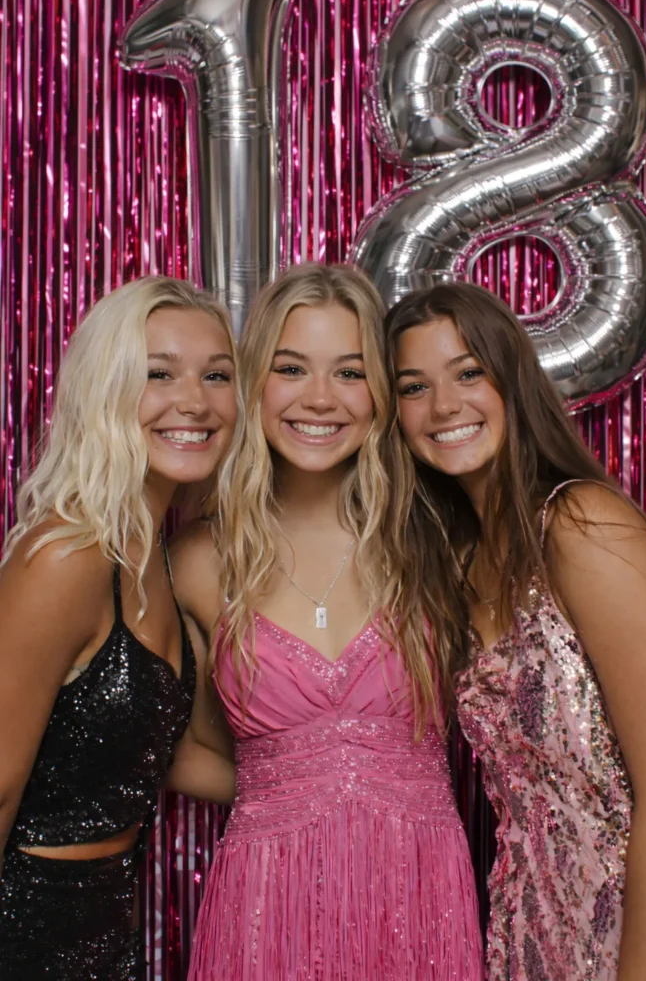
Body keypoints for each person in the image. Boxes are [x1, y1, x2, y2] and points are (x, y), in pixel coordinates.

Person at [171, 263, 484, 980]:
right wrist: (294, 788)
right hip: (265, 898)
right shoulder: (198, 562)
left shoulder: (436, 540)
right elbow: (173, 749)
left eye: (348, 372)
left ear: (379, 391)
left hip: (419, 894)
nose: (320, 398)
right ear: (254, 381)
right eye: (290, 367)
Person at [385, 279, 646, 981]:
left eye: (467, 373)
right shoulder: (457, 563)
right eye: (413, 387)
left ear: (512, 383)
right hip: (532, 936)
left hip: (642, 932)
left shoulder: (581, 525)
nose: (444, 406)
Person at [0, 276, 238, 980]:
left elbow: (170, 759)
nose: (193, 401)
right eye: (157, 374)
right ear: (104, 389)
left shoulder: (159, 560)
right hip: (23, 934)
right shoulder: (65, 555)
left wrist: (358, 782)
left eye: (216, 375)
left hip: (105, 934)